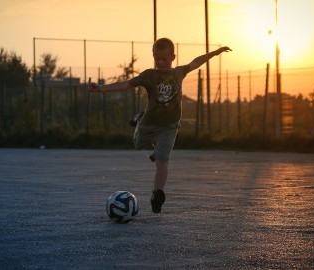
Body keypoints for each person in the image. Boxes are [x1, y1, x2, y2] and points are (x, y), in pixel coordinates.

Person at [89, 38, 231, 213]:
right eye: (158, 58)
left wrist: (215, 53)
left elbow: (196, 61)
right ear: (154, 57)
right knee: (138, 144)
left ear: (173, 57)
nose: (161, 62)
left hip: (169, 126)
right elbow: (126, 84)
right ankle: (140, 119)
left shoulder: (179, 72)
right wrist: (101, 88)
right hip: (148, 124)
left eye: (165, 58)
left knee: (162, 160)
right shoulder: (149, 75)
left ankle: (158, 193)